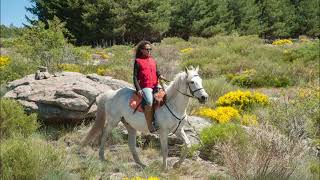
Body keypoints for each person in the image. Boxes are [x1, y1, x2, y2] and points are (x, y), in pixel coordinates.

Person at [133, 40, 164, 133]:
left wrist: (160, 75)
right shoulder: (138, 61)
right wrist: (138, 89)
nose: (149, 51)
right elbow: (134, 77)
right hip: (145, 86)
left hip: (155, 85)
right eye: (147, 49)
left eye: (150, 49)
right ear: (142, 50)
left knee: (164, 98)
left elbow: (156, 71)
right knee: (150, 102)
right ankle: (150, 125)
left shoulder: (152, 60)